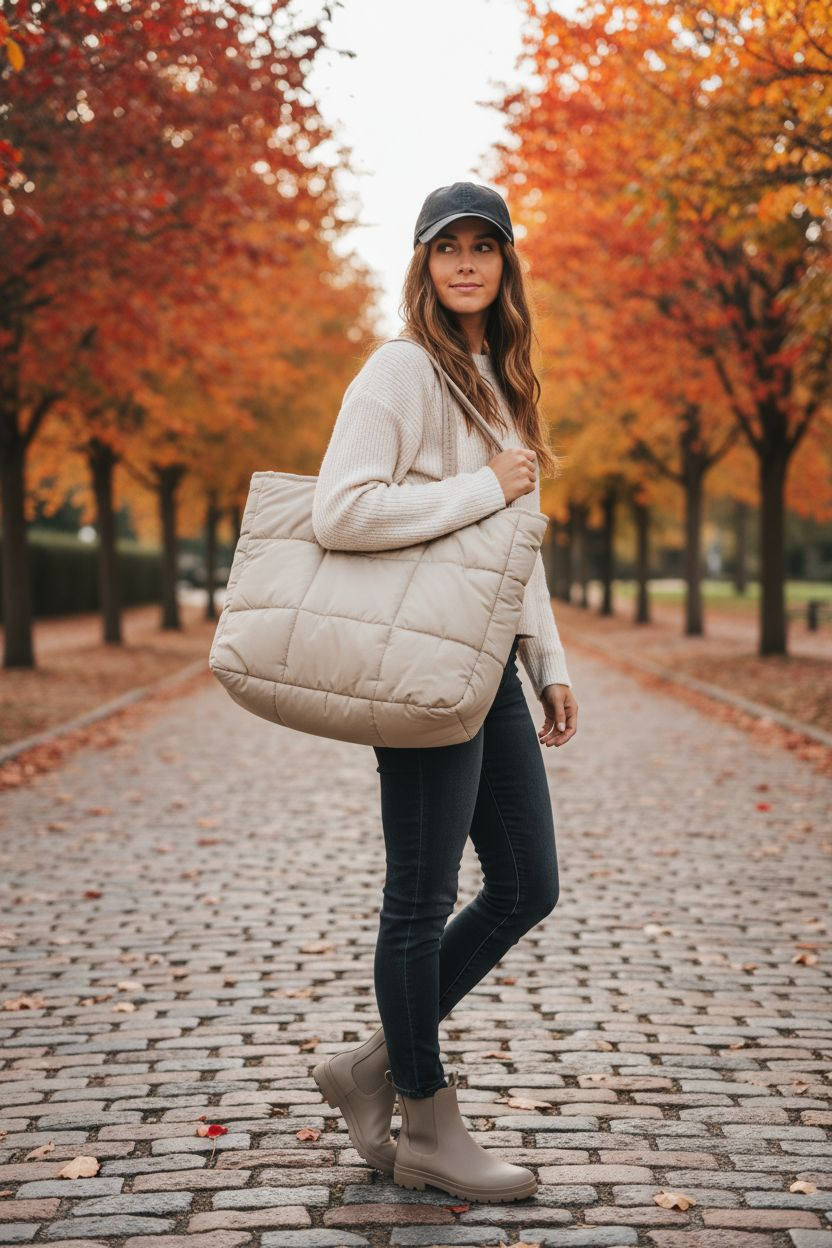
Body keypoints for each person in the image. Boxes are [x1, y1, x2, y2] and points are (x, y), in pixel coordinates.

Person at [310, 181, 578, 1204]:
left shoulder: (500, 378)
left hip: (489, 662)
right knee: (418, 896)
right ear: (422, 262)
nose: (466, 262)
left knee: (527, 883)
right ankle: (423, 1119)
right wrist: (483, 486)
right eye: (447, 247)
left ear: (506, 264)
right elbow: (341, 510)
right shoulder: (399, 370)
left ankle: (367, 1067)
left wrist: (547, 660)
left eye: (485, 246)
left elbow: (520, 546)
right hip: (420, 663)